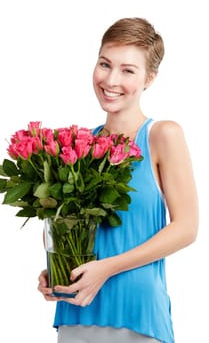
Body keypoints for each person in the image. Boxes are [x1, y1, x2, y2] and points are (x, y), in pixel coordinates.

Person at [37, 17, 198, 343]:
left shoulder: (161, 135)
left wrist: (106, 268)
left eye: (128, 70)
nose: (111, 79)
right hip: (77, 311)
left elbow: (186, 228)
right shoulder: (77, 146)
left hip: (136, 314)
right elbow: (61, 227)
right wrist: (56, 268)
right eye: (105, 64)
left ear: (149, 79)